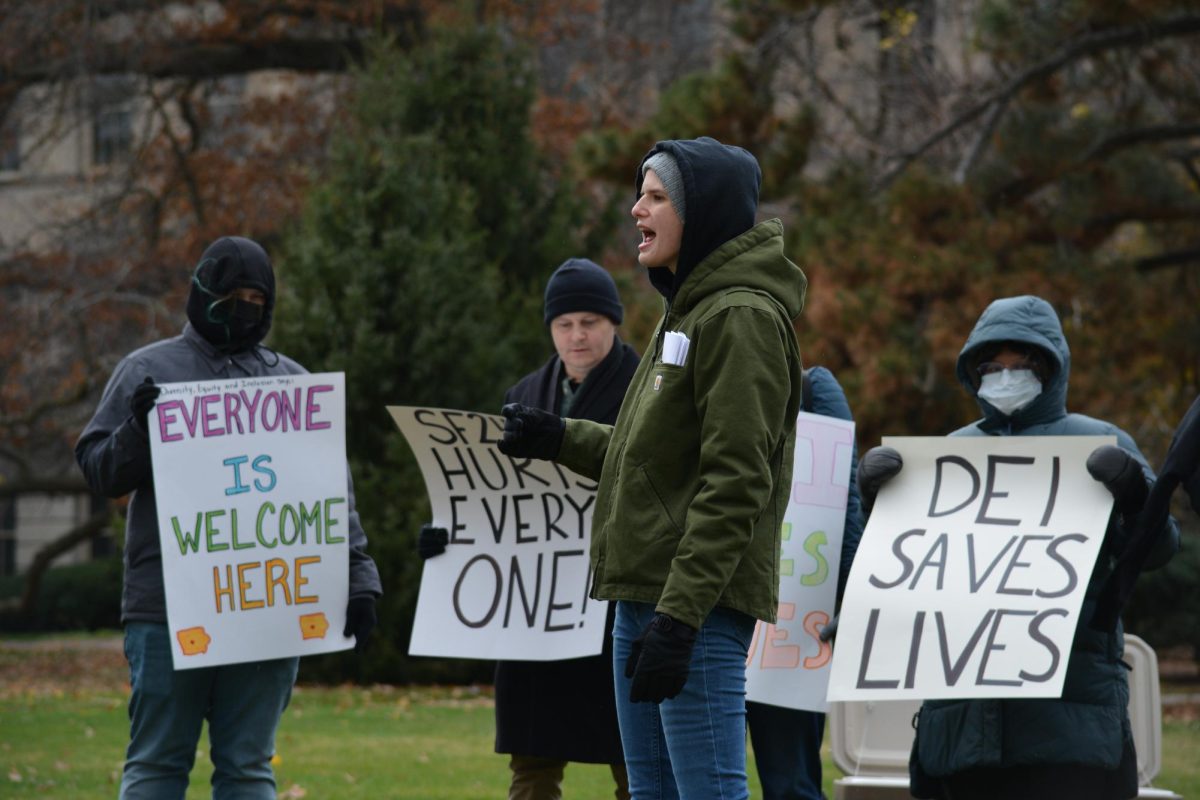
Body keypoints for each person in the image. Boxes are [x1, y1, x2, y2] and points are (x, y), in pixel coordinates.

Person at [498, 136, 807, 798]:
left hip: (691, 606)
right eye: (640, 193)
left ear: (706, 214)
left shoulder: (741, 316)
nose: (636, 209)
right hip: (643, 596)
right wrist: (560, 436)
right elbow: (649, 458)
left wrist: (682, 616)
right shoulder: (688, 313)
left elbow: (736, 483)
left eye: (657, 196)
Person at [75, 236, 383, 800]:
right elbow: (98, 471)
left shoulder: (293, 385)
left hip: (267, 611)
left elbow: (331, 500)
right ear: (202, 293)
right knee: (157, 764)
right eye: (230, 295)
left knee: (247, 767)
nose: (242, 308)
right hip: (167, 610)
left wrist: (359, 579)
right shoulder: (146, 370)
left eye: (254, 298)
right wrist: (137, 431)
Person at [855, 294, 1179, 800]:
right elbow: (897, 579)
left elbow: (1157, 551)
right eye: (992, 367)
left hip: (1069, 726)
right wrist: (877, 506)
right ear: (973, 373)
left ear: (1051, 370)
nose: (1006, 377)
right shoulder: (948, 454)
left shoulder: (1102, 442)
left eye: (1022, 366)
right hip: (960, 729)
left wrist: (1137, 498)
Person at [418, 257, 640, 800]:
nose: (577, 335)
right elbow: (495, 498)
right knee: (531, 768)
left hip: (614, 610)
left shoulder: (645, 390)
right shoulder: (523, 394)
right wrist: (450, 535)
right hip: (534, 617)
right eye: (564, 324)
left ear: (614, 322)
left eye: (589, 321)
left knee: (637, 769)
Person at [746, 366, 863, 800]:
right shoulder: (698, 382)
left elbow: (844, 498)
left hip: (792, 624)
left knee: (791, 779)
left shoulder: (812, 387)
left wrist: (850, 596)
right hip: (716, 616)